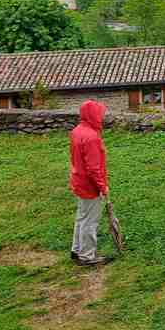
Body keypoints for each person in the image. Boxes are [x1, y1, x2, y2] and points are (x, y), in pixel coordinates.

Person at [69, 99, 111, 266]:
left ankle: (77, 249)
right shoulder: (92, 137)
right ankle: (87, 256)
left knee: (82, 217)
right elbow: (94, 168)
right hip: (89, 185)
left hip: (79, 180)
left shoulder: (77, 131)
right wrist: (102, 187)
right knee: (90, 221)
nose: (102, 117)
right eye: (100, 113)